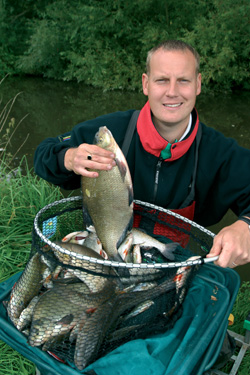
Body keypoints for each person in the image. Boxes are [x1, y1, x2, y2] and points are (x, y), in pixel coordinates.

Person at [34, 39, 250, 269]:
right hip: (103, 254)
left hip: (169, 262)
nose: (172, 92)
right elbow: (44, 154)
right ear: (146, 84)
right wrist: (67, 158)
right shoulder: (111, 132)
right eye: (162, 80)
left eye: (183, 81)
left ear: (198, 84)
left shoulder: (220, 152)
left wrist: (246, 225)